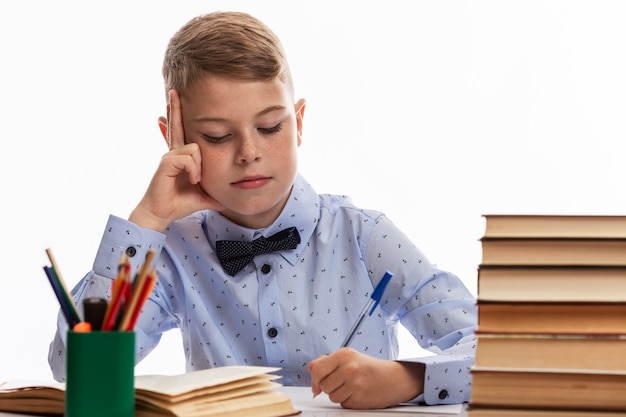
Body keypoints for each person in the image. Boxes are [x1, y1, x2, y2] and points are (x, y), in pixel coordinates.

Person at [48, 11, 477, 409]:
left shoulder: (362, 234)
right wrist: (147, 220)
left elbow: (496, 352)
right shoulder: (170, 254)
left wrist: (409, 378)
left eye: (270, 127)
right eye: (217, 136)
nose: (249, 153)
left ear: (300, 123)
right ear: (174, 137)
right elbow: (72, 369)